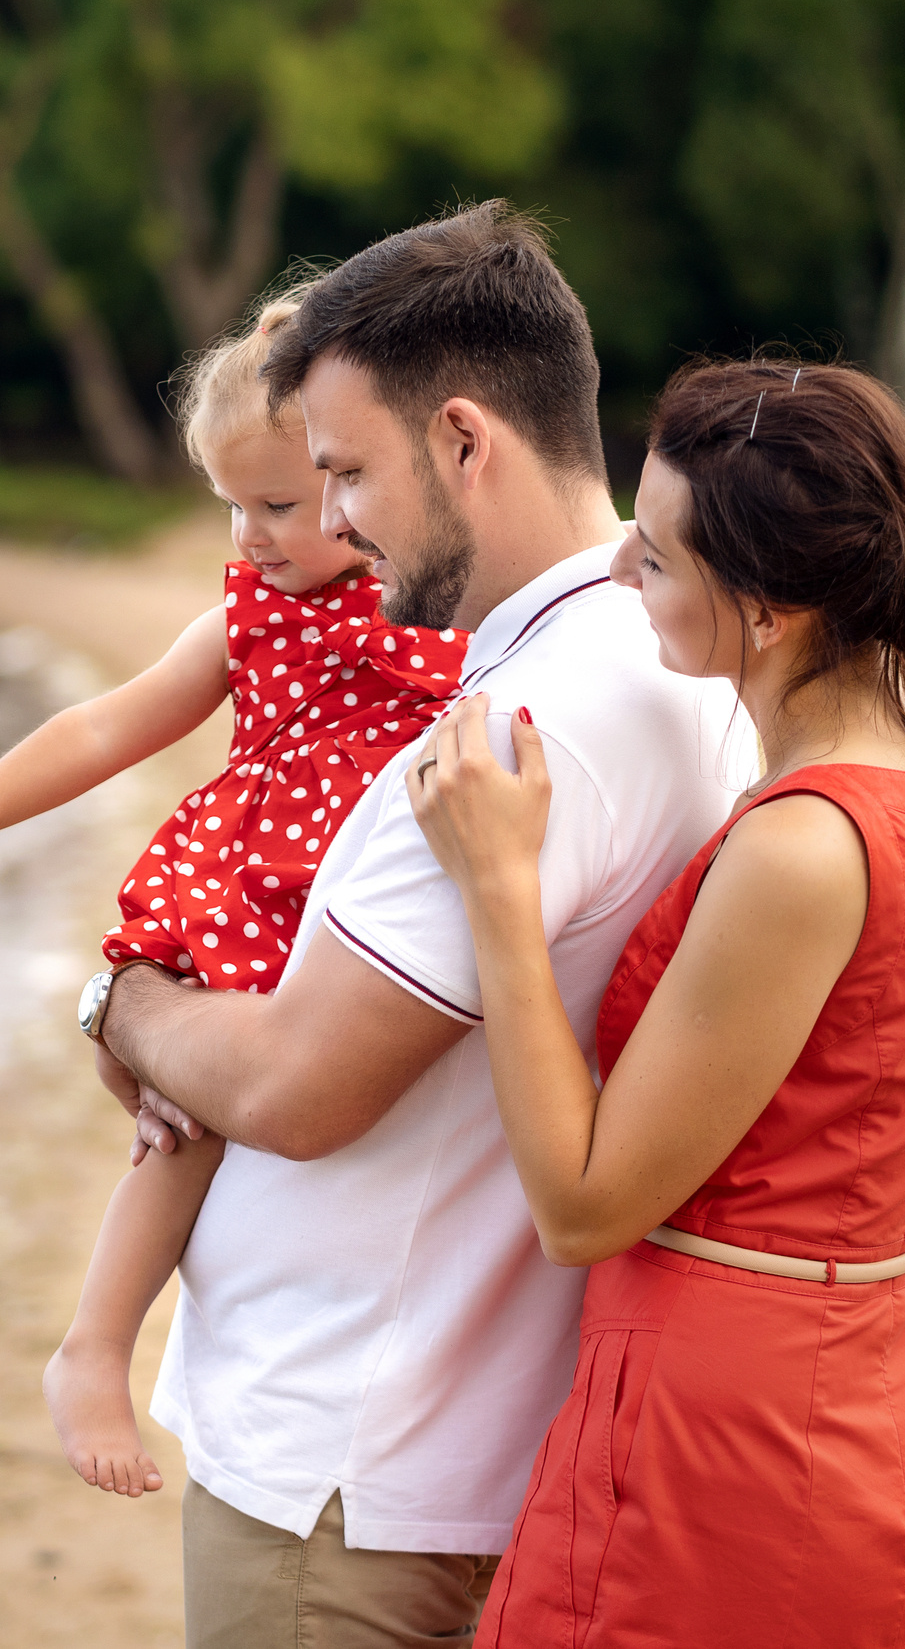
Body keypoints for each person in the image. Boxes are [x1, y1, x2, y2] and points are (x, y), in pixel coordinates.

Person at [91, 203, 754, 1647]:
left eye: (344, 472)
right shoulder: (677, 660)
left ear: (464, 440)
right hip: (452, 1441)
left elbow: (293, 1084)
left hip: (347, 1471)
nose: (327, 521)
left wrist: (121, 1005)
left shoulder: (512, 733)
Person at [405, 358, 905, 1648]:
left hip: (717, 1457)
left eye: (659, 556)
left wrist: (500, 891)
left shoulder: (804, 848)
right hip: (872, 1403)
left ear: (769, 611)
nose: (622, 570)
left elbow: (582, 1204)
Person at [0, 286, 465, 1498]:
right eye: (229, 507)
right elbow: (105, 724)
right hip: (252, 896)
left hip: (365, 902)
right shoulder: (247, 615)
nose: (247, 537)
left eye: (279, 506)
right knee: (183, 1125)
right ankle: (94, 1343)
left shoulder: (437, 602)